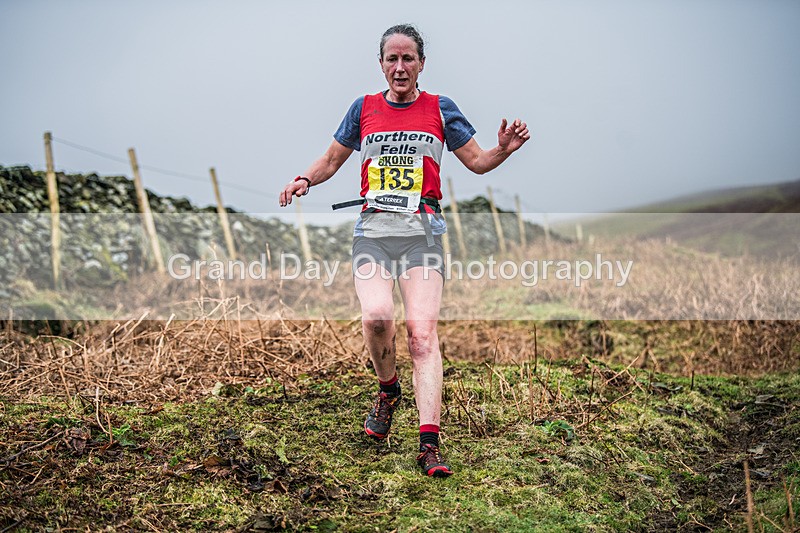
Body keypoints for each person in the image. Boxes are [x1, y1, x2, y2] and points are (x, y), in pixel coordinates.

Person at [279, 24, 529, 477]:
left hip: (422, 236)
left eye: (408, 58)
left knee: (421, 334)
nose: (400, 67)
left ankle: (429, 443)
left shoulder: (440, 108)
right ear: (381, 64)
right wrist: (304, 179)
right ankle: (388, 389)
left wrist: (504, 150)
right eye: (391, 59)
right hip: (373, 233)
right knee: (377, 318)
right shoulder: (363, 109)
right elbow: (332, 160)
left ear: (421, 64)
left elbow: (477, 161)